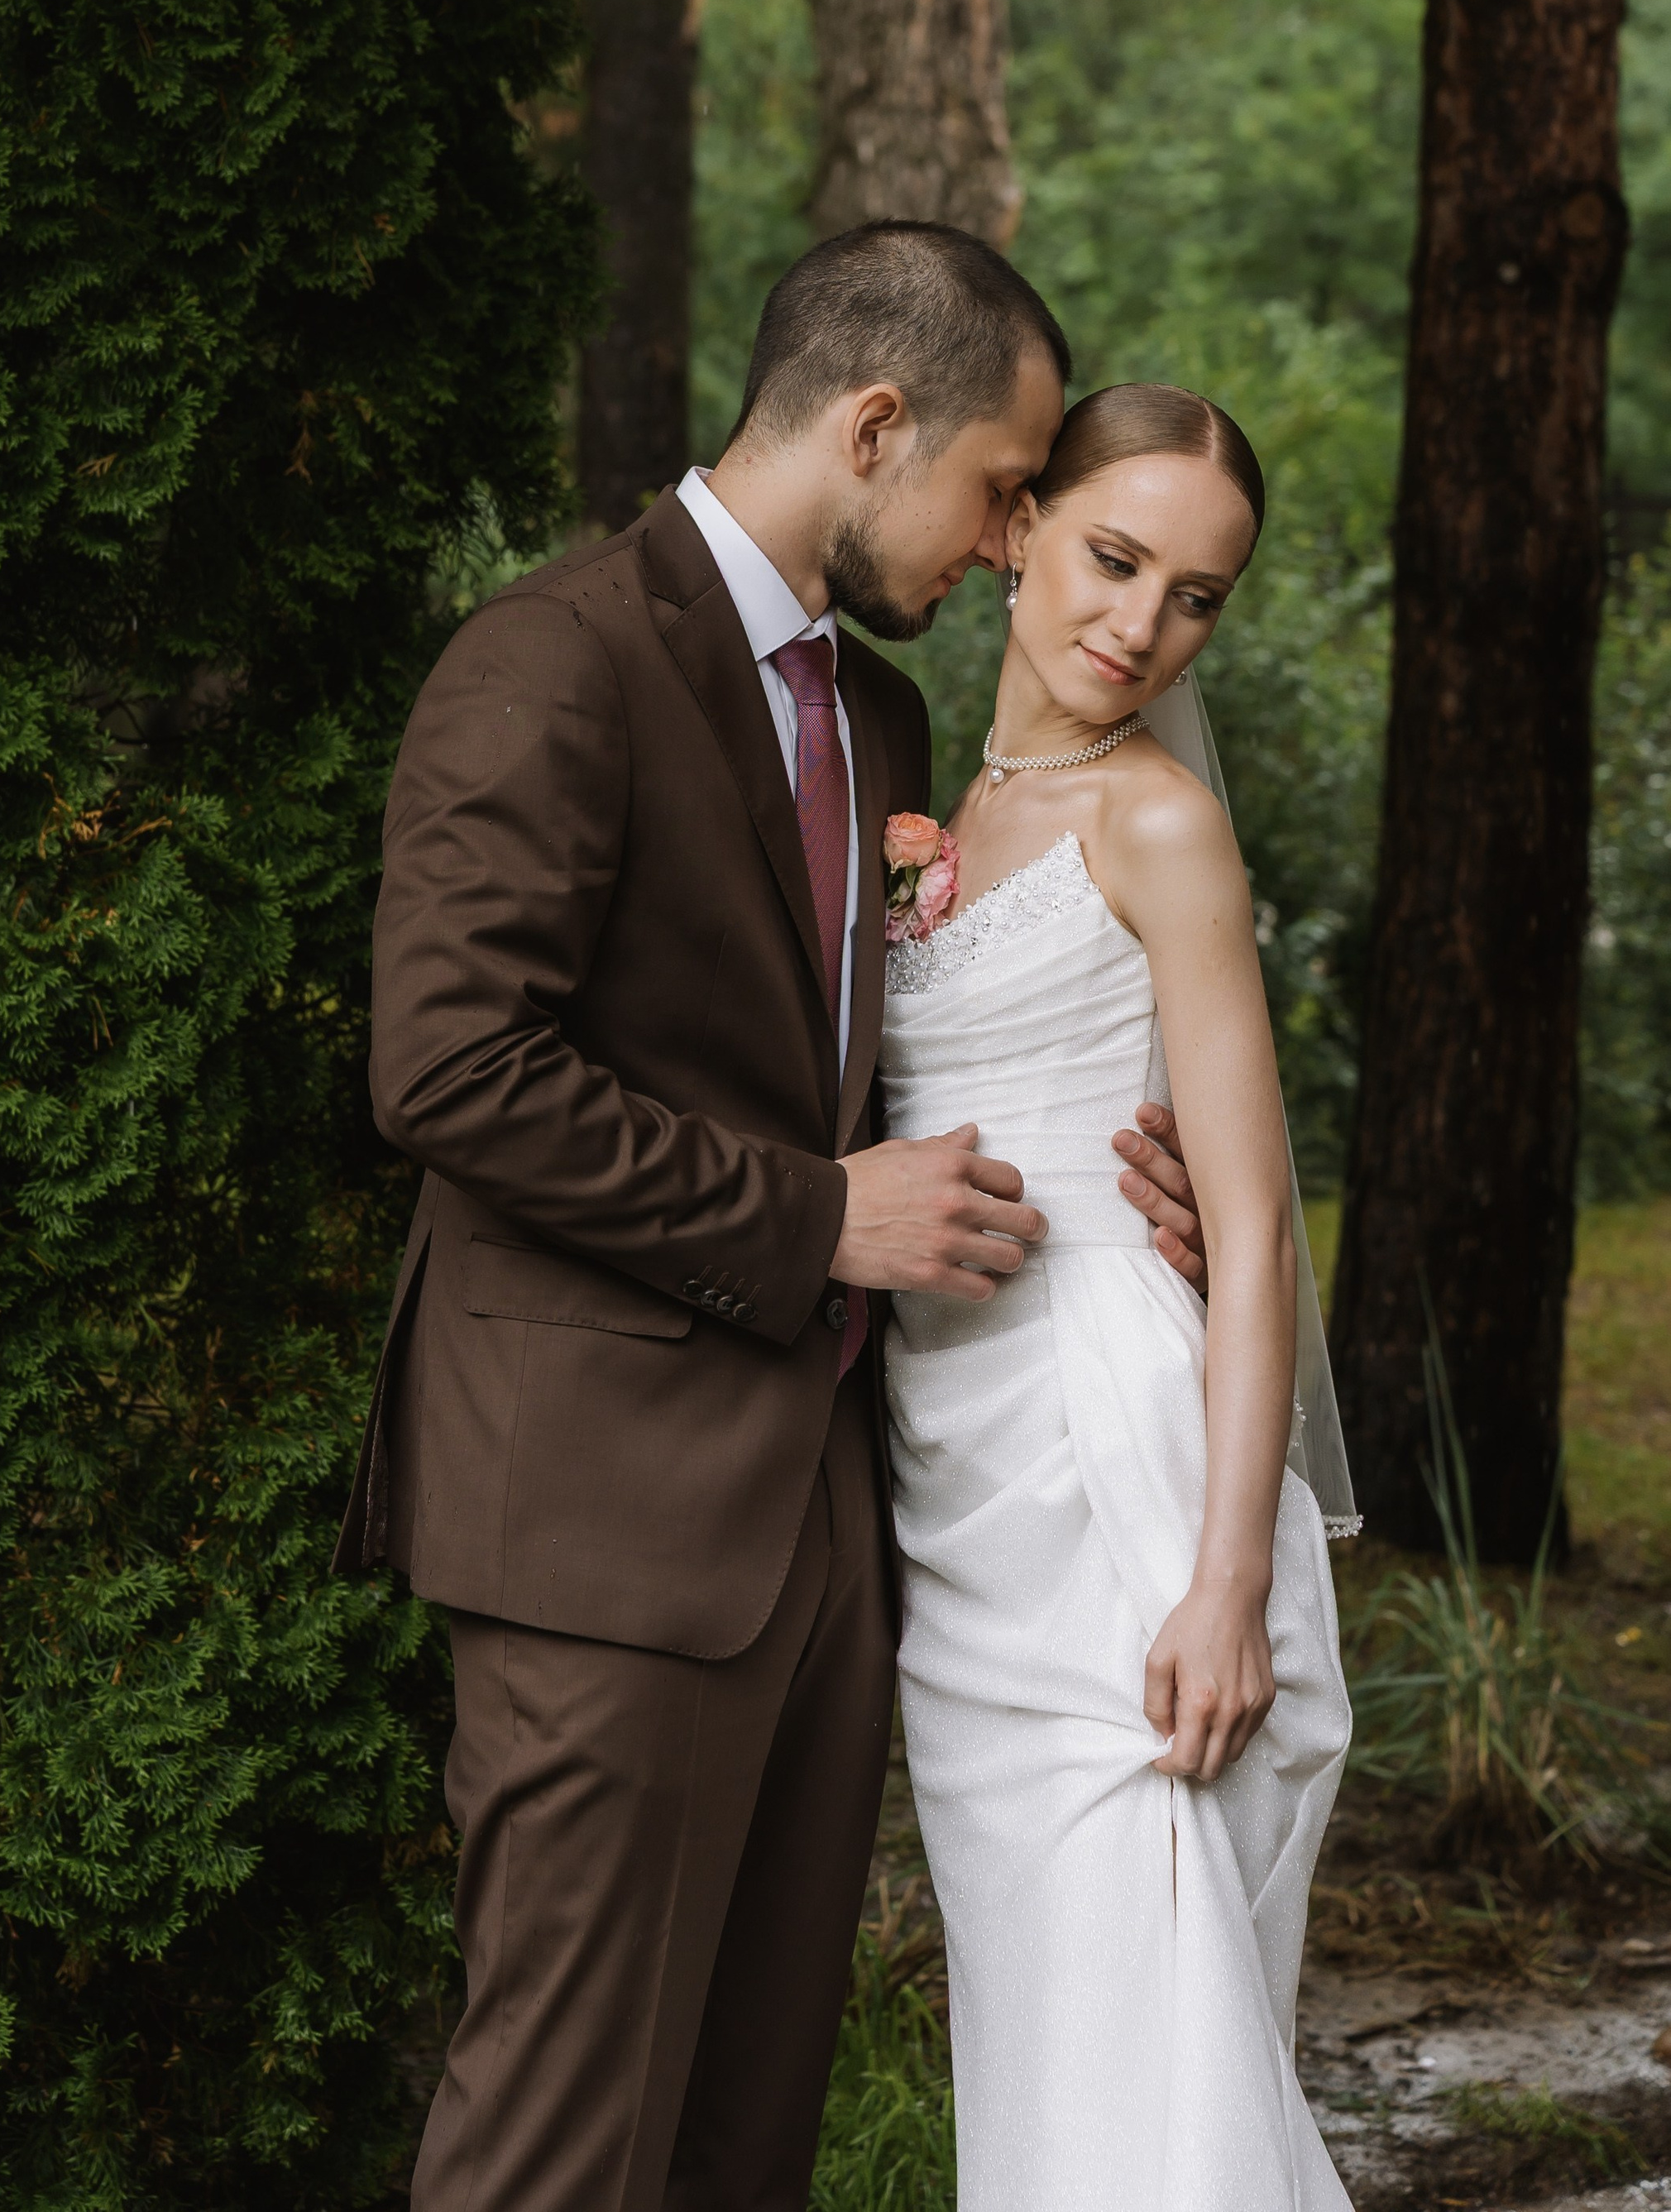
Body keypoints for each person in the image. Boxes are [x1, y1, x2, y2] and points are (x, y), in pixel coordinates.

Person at [336, 224, 1208, 2212]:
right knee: (561, 2140)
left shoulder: (880, 726)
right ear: (873, 425)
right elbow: (448, 1070)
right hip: (600, 1518)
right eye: (1002, 486)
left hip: (827, 1523)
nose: (1008, 541)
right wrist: (812, 1219)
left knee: (746, 2141)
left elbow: (878, 1073)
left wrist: (1128, 1181)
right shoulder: (550, 661)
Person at [883, 381, 1354, 2212]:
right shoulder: (940, 816)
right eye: (1112, 556)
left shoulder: (1159, 827)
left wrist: (1224, 1585)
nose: (1141, 623)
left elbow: (1250, 1222)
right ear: (1014, 531)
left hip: (1118, 1474)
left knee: (1152, 2061)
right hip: (958, 1497)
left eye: (1195, 595)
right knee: (1049, 2052)